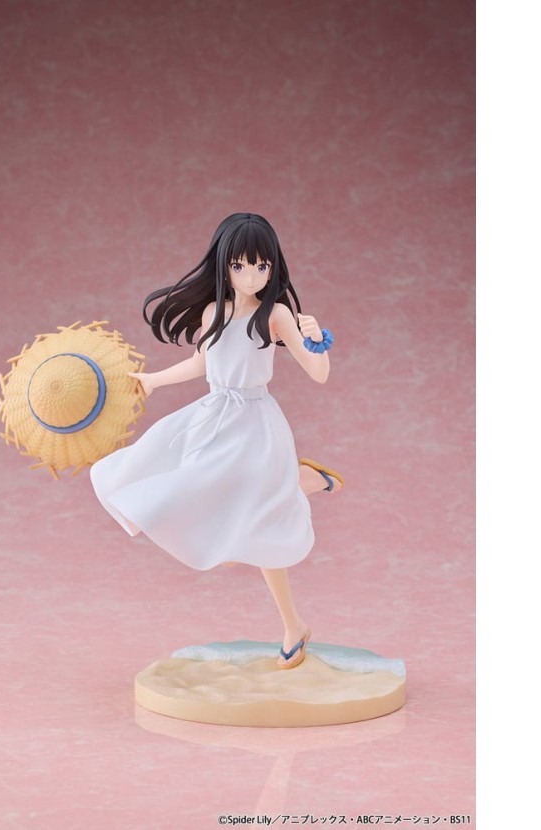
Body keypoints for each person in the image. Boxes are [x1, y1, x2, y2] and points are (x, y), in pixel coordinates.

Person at [90, 213, 342, 669]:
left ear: (273, 267)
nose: (252, 276)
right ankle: (298, 482)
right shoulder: (213, 313)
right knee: (196, 498)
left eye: (262, 266)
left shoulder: (275, 315)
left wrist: (315, 339)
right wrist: (154, 380)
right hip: (213, 419)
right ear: (224, 265)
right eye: (241, 266)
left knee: (258, 533)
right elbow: (200, 364)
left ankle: (293, 625)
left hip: (256, 425)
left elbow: (319, 374)